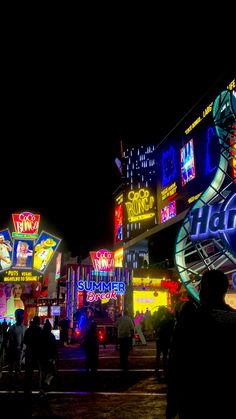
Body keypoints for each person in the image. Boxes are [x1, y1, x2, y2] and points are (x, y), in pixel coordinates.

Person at [166, 269, 236, 419]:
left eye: (202, 286)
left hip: (195, 398)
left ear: (206, 289)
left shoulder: (192, 319)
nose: (199, 290)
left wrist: (171, 400)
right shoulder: (234, 319)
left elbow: (176, 361)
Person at [7, 309, 26, 389]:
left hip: (20, 351)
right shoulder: (12, 328)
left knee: (18, 367)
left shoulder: (24, 328)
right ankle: (12, 381)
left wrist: (23, 350)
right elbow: (10, 342)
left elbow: (25, 341)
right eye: (20, 315)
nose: (22, 317)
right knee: (12, 367)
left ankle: (16, 381)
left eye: (22, 315)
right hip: (14, 350)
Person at [23, 315, 43, 395]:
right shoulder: (40, 330)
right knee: (40, 371)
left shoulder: (28, 330)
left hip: (29, 352)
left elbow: (25, 341)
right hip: (38, 352)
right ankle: (40, 387)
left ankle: (28, 388)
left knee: (28, 372)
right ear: (38, 322)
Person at [40, 319, 58, 392]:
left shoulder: (41, 335)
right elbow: (54, 347)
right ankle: (46, 383)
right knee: (52, 371)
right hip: (49, 356)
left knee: (43, 372)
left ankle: (42, 387)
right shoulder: (51, 336)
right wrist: (55, 357)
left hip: (42, 356)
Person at [82, 307, 99, 373]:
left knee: (89, 356)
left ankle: (89, 368)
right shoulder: (91, 323)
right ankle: (92, 368)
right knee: (92, 356)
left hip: (89, 343)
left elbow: (84, 331)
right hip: (92, 343)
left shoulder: (87, 322)